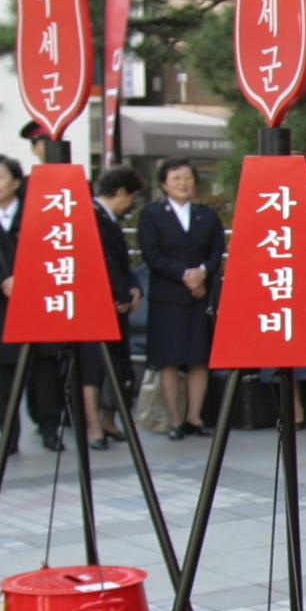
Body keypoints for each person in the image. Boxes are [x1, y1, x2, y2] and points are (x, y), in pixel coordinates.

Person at [0, 154, 65, 453]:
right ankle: (8, 436)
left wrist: (28, 281)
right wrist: (1, 282)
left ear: (16, 182)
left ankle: (50, 429)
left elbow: (51, 253)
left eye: (0, 177)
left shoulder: (38, 216)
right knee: (3, 376)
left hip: (38, 305)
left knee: (45, 371)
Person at [140, 157, 223, 439]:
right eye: (176, 178)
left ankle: (195, 418)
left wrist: (202, 272)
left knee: (199, 358)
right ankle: (175, 420)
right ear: (164, 184)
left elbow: (216, 250)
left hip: (200, 296)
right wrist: (185, 275)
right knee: (170, 360)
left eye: (187, 177)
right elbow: (152, 255)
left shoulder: (206, 214)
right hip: (168, 297)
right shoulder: (152, 214)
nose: (183, 183)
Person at [79, 166, 145, 449]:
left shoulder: (109, 217)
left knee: (117, 365)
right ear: (120, 192)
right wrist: (120, 294)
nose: (130, 205)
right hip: (96, 303)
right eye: (131, 198)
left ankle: (109, 421)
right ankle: (94, 427)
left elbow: (122, 262)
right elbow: (102, 260)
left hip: (116, 300)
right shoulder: (92, 216)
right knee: (93, 367)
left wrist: (133, 287)